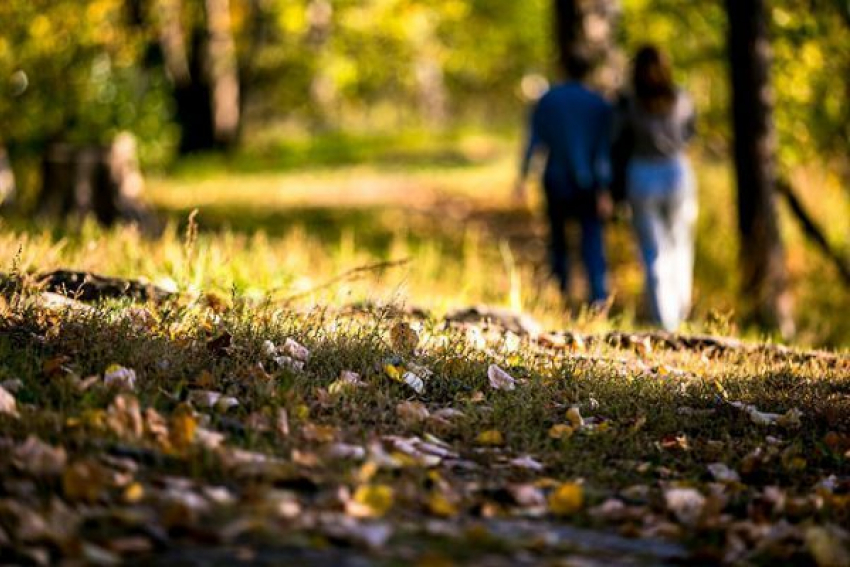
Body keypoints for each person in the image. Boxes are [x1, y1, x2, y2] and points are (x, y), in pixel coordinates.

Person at [514, 51, 614, 307]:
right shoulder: (599, 104)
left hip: (556, 178)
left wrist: (522, 178)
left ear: (563, 68)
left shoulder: (548, 101)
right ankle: (598, 299)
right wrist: (605, 188)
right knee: (591, 239)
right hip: (589, 183)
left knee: (558, 239)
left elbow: (533, 142)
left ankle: (562, 294)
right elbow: (603, 150)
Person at [615, 45, 697, 331]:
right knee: (680, 244)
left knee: (653, 251)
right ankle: (680, 307)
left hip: (642, 174)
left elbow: (618, 141)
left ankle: (665, 320)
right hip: (676, 172)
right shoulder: (681, 98)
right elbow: (690, 133)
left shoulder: (628, 103)